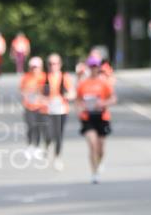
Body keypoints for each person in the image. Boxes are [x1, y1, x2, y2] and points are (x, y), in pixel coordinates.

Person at [75, 54, 116, 183]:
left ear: (99, 67)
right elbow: (78, 100)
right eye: (91, 66)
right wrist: (80, 109)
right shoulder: (83, 84)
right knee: (92, 144)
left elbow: (113, 98)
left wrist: (103, 104)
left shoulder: (104, 83)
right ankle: (94, 172)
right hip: (88, 117)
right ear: (88, 67)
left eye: (95, 66)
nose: (93, 69)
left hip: (102, 117)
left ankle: (99, 163)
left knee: (101, 148)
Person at [40, 54, 76, 170]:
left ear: (59, 65)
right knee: (49, 133)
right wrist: (43, 100)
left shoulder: (64, 77)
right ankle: (46, 145)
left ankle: (57, 158)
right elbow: (37, 93)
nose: (52, 66)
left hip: (61, 109)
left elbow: (72, 93)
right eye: (50, 64)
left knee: (59, 135)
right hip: (47, 110)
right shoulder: (43, 77)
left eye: (55, 64)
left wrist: (67, 96)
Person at [19, 57, 46, 159]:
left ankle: (37, 147)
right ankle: (30, 145)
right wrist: (27, 95)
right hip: (29, 106)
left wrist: (40, 95)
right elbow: (22, 90)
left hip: (40, 106)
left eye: (36, 67)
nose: (34, 69)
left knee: (38, 126)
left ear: (41, 67)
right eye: (33, 67)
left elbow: (48, 91)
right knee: (30, 126)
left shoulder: (44, 77)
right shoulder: (26, 77)